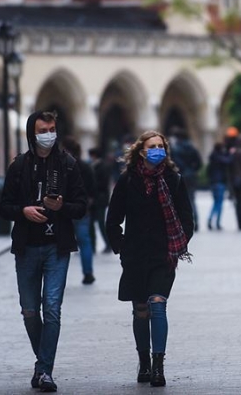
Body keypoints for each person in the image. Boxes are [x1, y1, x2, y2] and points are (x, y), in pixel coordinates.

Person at [0, 111, 87, 392]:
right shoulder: (19, 166)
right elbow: (4, 207)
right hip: (26, 247)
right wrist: (23, 211)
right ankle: (43, 362)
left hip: (56, 247)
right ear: (32, 133)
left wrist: (63, 208)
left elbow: (82, 205)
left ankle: (44, 370)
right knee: (28, 311)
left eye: (52, 128)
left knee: (52, 310)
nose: (49, 134)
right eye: (43, 129)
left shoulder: (69, 165)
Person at [106, 130, 194, 387]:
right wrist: (121, 247)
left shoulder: (174, 180)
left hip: (163, 255)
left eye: (161, 146)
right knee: (140, 310)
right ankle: (143, 361)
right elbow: (113, 219)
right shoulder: (127, 180)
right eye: (152, 146)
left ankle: (158, 364)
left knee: (157, 304)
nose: (157, 150)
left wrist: (177, 245)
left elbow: (187, 219)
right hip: (135, 255)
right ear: (141, 151)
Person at [63, 137, 96, 284]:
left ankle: (59, 275)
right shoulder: (85, 166)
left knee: (62, 244)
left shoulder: (62, 166)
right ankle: (88, 272)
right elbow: (92, 190)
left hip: (63, 209)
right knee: (85, 242)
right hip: (82, 210)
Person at [169, 128, 202, 231]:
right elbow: (199, 162)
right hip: (191, 176)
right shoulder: (192, 148)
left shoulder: (175, 149)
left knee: (179, 200)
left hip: (180, 176)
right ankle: (195, 222)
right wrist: (193, 170)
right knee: (192, 199)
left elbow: (173, 163)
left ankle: (183, 223)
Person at [89, 147, 112, 253]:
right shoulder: (94, 166)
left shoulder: (102, 166)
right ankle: (92, 245)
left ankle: (108, 244)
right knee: (91, 223)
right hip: (94, 199)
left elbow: (103, 183)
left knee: (101, 223)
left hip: (100, 200)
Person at [206, 142, 231, 230]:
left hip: (213, 182)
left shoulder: (212, 157)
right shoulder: (219, 157)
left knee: (215, 202)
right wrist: (230, 153)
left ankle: (210, 219)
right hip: (220, 182)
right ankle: (217, 222)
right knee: (219, 203)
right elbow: (228, 161)